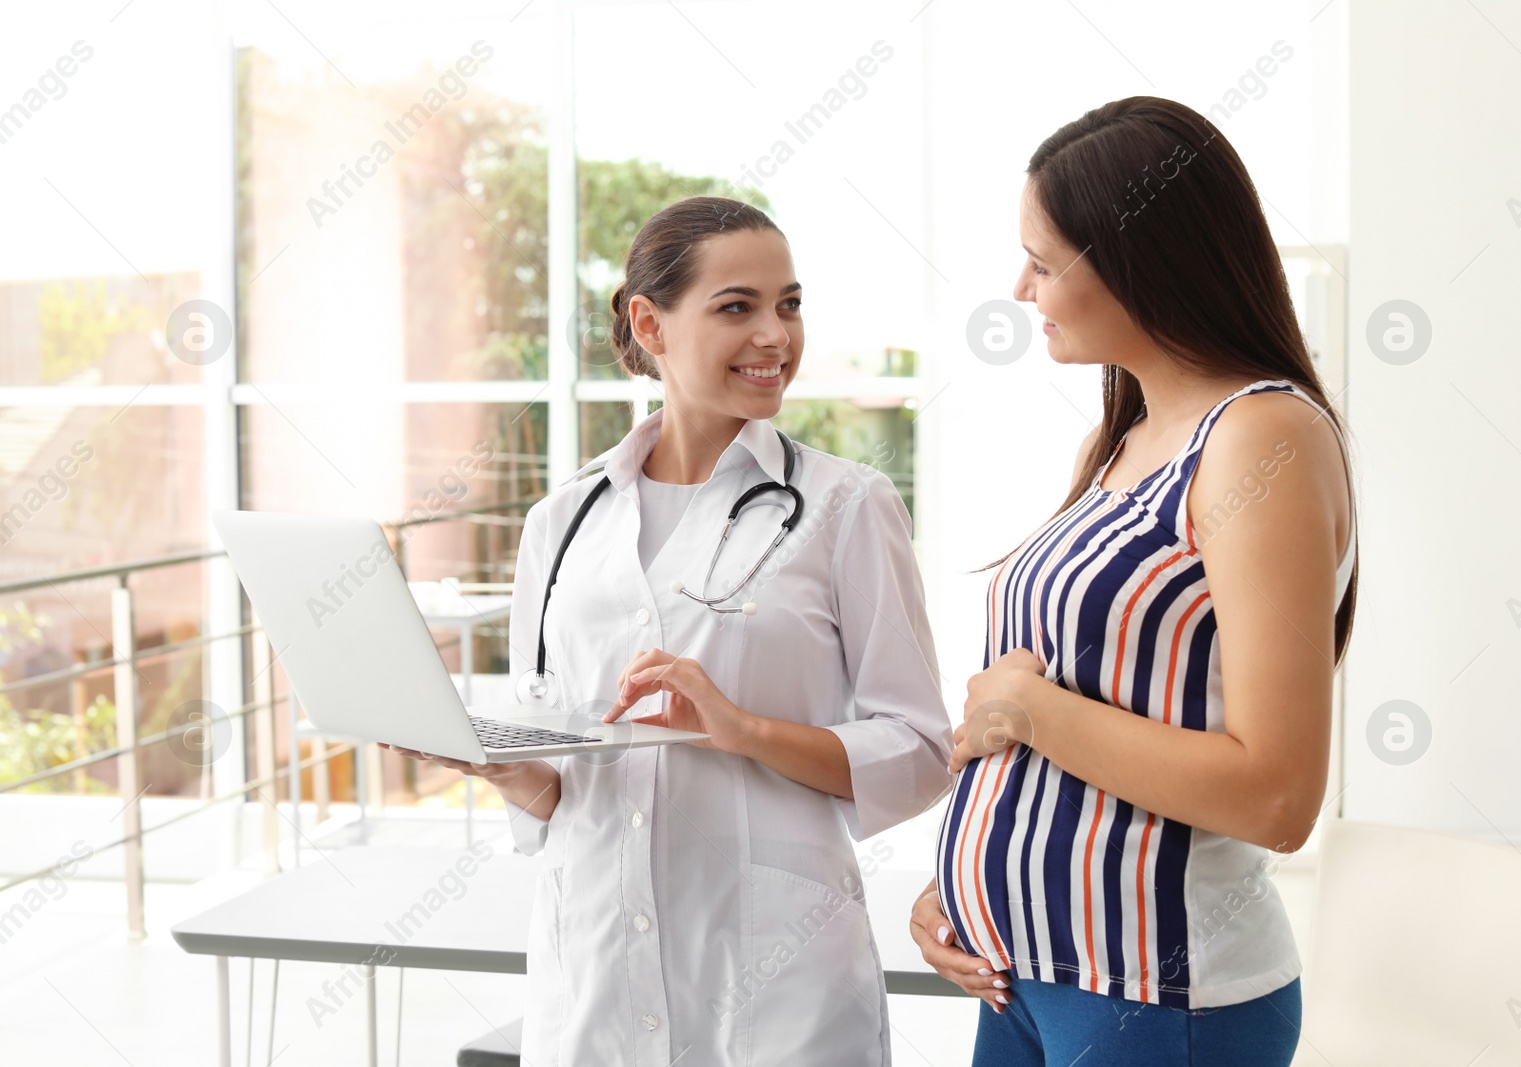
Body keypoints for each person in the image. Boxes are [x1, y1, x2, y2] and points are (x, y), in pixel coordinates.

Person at [386, 195, 952, 1066]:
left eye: (789, 304)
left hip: (779, 984)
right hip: (596, 987)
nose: (776, 335)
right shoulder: (561, 521)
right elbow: (567, 794)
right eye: (738, 307)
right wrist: (503, 768)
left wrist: (744, 730)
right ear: (650, 323)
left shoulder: (845, 506)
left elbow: (918, 750)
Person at [908, 97, 1358, 1066]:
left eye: (1041, 258)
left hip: (1153, 994)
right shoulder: (1114, 444)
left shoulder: (1258, 441)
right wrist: (969, 875)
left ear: (1136, 256)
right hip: (1024, 974)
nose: (1019, 286)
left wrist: (1025, 708)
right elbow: (1086, 702)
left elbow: (1277, 795)